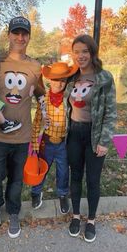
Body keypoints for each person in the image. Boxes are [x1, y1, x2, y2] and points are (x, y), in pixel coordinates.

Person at [0, 16, 45, 238]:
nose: (20, 37)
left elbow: (40, 92)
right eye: (16, 32)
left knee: (16, 181)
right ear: (8, 34)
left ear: (29, 37)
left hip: (22, 136)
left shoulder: (36, 66)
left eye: (24, 33)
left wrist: (46, 105)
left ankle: (14, 211)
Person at [66, 34, 117, 242]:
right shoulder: (71, 77)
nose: (80, 56)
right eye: (76, 52)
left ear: (92, 52)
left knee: (93, 180)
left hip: (94, 135)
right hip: (74, 134)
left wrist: (104, 141)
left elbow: (111, 112)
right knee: (75, 176)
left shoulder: (104, 78)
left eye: (84, 51)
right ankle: (76, 216)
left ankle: (91, 220)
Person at [31, 62, 77, 214]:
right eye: (56, 79)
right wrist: (35, 144)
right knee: (41, 168)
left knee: (63, 171)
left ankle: (63, 194)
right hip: (47, 142)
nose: (59, 83)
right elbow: (37, 121)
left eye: (63, 80)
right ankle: (36, 192)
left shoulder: (68, 100)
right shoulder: (43, 99)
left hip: (63, 143)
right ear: (49, 80)